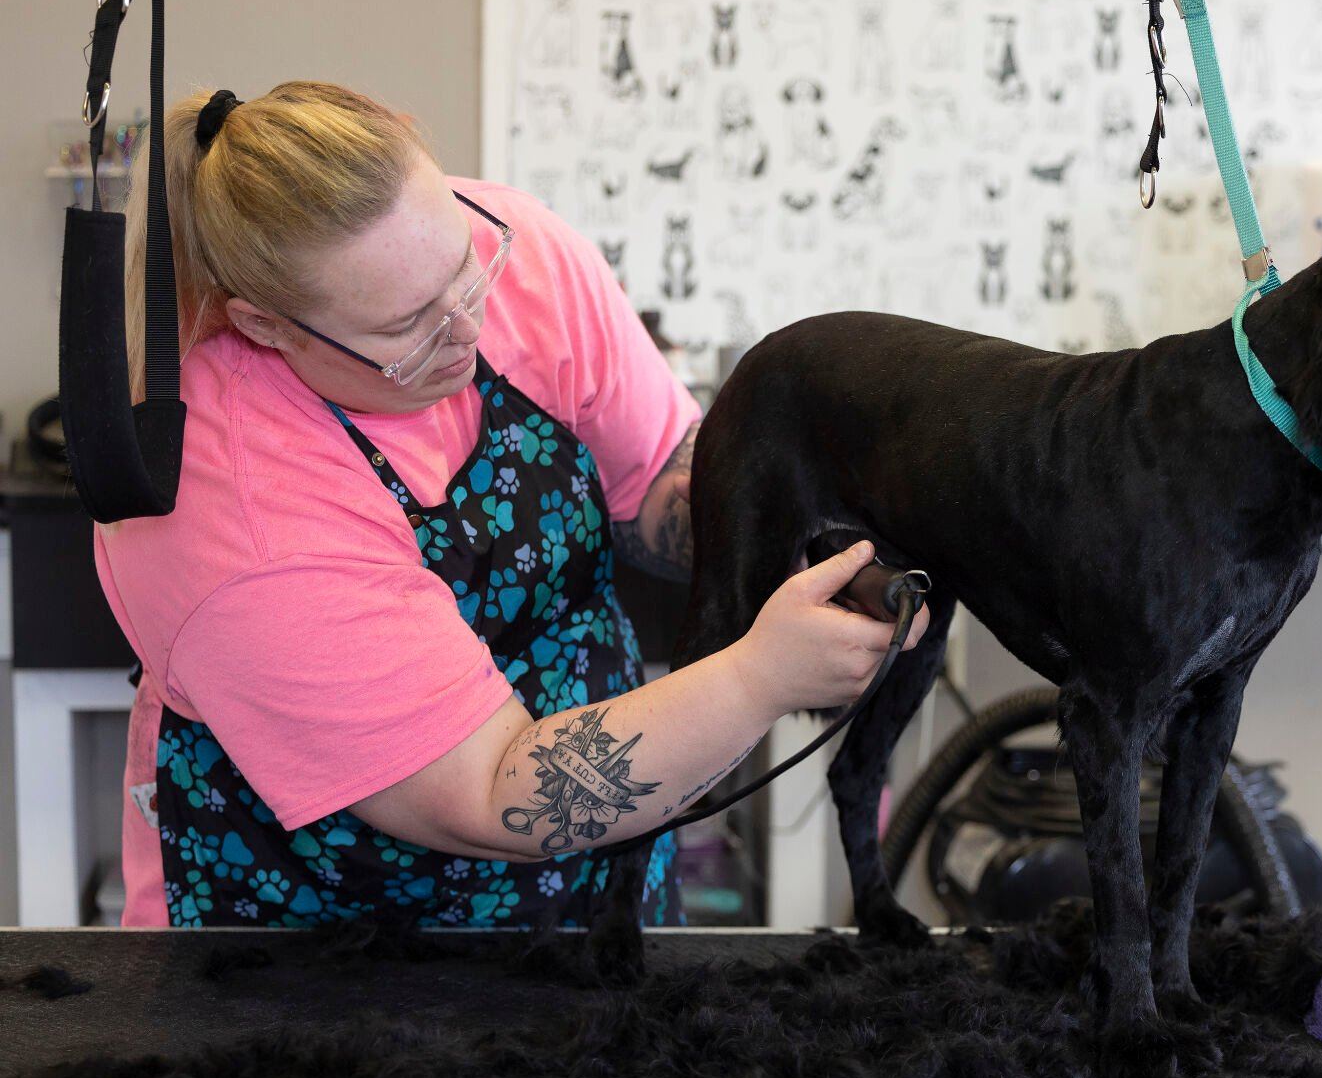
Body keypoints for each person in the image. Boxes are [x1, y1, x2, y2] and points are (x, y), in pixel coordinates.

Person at [96, 81, 928, 928]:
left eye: (466, 264)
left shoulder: (511, 254)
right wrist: (760, 677)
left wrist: (787, 529)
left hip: (600, 874)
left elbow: (656, 491)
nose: (467, 323)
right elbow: (491, 792)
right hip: (321, 935)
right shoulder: (235, 505)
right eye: (408, 326)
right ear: (266, 325)